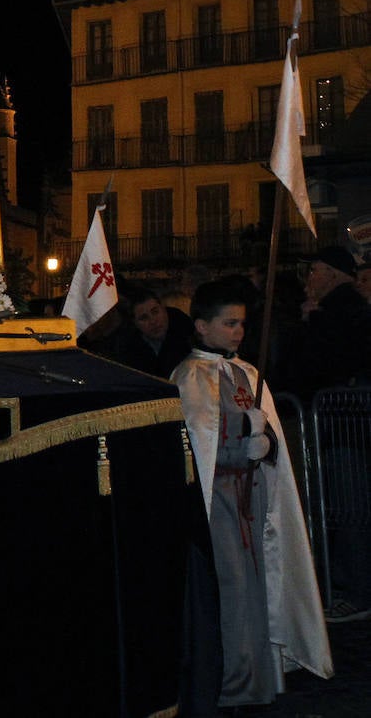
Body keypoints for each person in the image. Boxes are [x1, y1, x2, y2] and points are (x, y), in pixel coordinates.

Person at [171, 279, 331, 709]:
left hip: (255, 502)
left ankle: (262, 678)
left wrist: (268, 445)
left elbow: (271, 437)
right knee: (231, 589)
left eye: (242, 323)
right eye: (229, 323)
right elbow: (196, 442)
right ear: (201, 327)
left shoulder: (248, 373)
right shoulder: (189, 377)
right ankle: (230, 683)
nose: (239, 332)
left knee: (261, 587)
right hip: (219, 503)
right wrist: (242, 439)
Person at [270, 245, 371, 402]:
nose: (309, 277)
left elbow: (314, 363)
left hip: (334, 405)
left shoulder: (335, 311)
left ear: (332, 274)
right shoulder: (344, 306)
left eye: (313, 270)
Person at [109, 283, 195, 378]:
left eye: (155, 312)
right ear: (135, 323)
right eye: (144, 318)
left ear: (163, 308)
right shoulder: (127, 346)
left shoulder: (186, 331)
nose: (153, 321)